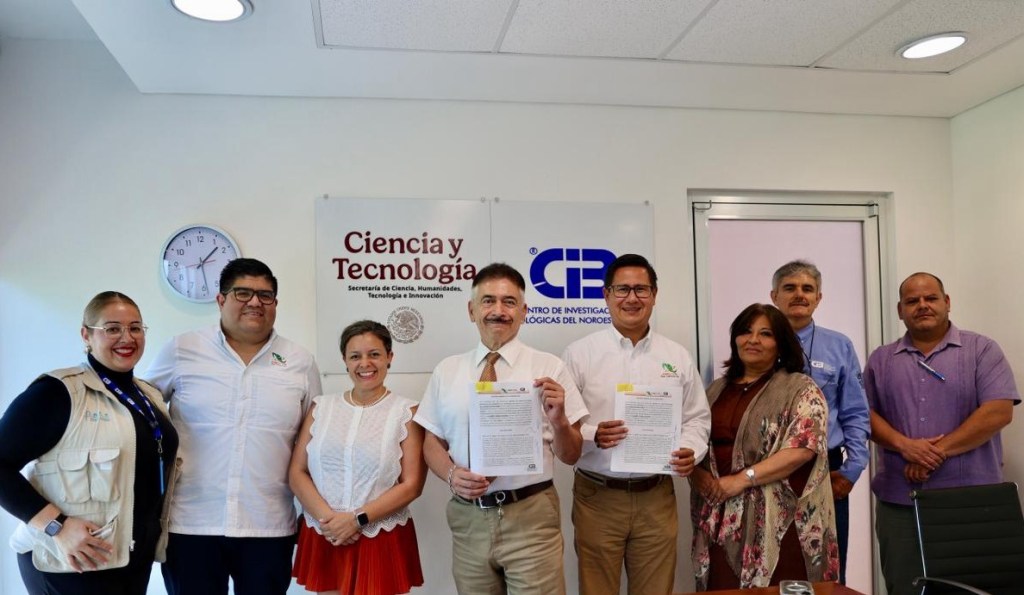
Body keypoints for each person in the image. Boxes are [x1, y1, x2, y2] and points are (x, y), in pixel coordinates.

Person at [146, 258, 323, 595]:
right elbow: (142, 415)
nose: (255, 302)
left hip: (268, 524)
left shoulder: (300, 362)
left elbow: (315, 442)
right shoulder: (182, 350)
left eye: (265, 295)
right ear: (220, 299)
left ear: (275, 303)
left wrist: (314, 510)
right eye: (243, 293)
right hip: (192, 523)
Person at [413, 262, 587, 595]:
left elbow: (572, 454)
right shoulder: (447, 370)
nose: (498, 311)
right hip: (468, 519)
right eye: (488, 301)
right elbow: (431, 440)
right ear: (471, 310)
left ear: (524, 311)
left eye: (509, 302)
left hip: (531, 516)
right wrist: (451, 474)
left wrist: (560, 420)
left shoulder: (549, 367)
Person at [0, 291, 179, 595]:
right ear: (86, 335)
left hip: (130, 559)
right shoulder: (59, 392)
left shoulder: (149, 396)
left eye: (135, 328)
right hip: (71, 563)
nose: (127, 337)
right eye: (112, 328)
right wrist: (57, 526)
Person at [562, 253, 711, 595]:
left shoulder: (677, 356)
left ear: (654, 295)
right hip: (597, 495)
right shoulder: (579, 354)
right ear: (606, 295)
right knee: (597, 590)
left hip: (655, 494)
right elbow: (561, 424)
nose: (632, 298)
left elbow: (697, 418)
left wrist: (690, 449)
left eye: (641, 289)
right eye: (622, 289)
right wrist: (594, 434)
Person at [865, 272, 1018, 595]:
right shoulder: (881, 360)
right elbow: (863, 415)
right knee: (905, 588)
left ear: (947, 302)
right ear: (900, 310)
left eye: (931, 298)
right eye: (912, 301)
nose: (922, 305)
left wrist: (934, 453)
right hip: (900, 505)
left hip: (971, 503)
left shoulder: (982, 350)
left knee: (972, 589)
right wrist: (905, 446)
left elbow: (999, 411)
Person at [690, 303, 838, 590]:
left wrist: (742, 479)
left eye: (765, 334)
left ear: (781, 343)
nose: (753, 340)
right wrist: (698, 475)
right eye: (746, 331)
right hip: (720, 516)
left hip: (779, 522)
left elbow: (802, 448)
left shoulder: (800, 388)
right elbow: (693, 441)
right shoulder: (715, 390)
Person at [289, 320, 426, 594]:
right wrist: (331, 522)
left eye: (374, 354)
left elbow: (412, 485)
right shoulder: (321, 408)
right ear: (345, 360)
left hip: (379, 534)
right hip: (327, 533)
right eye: (355, 356)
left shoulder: (407, 412)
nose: (365, 363)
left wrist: (355, 520)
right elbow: (297, 472)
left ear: (389, 357)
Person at [770, 259, 870, 584]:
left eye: (807, 288)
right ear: (774, 296)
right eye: (790, 288)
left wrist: (853, 470)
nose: (799, 294)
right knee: (773, 563)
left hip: (826, 468)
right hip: (770, 470)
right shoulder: (758, 343)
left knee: (825, 567)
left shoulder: (839, 345)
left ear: (818, 297)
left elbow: (856, 411)